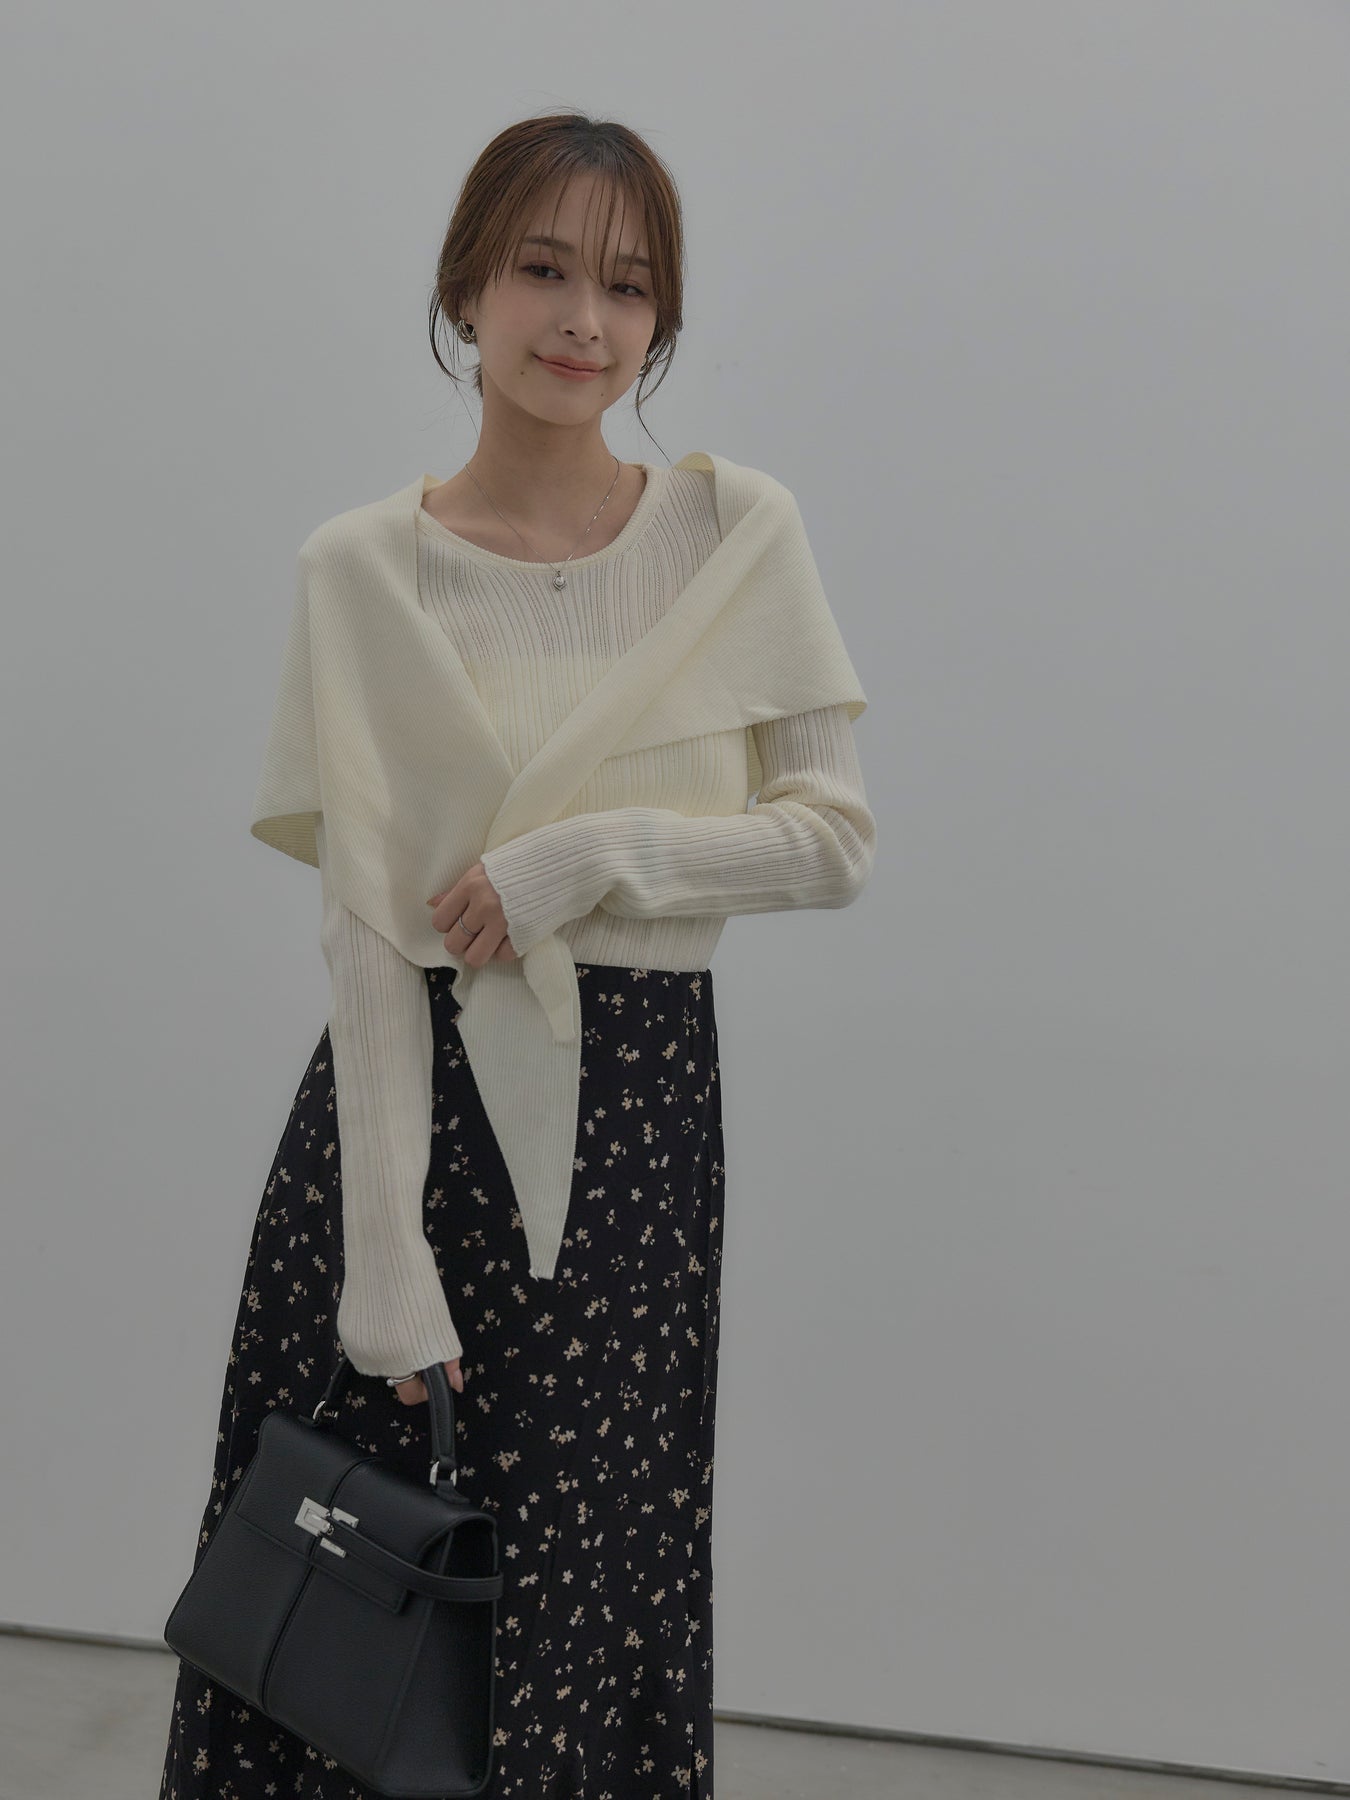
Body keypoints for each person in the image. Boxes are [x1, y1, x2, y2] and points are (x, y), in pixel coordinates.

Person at [159, 110, 876, 1800]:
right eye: (544, 269)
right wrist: (384, 1264)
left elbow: (831, 839)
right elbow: (368, 937)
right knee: (354, 1596)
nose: (583, 320)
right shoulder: (364, 570)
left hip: (633, 1130)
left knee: (592, 1569)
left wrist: (588, 856)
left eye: (627, 286)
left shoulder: (734, 535)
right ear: (464, 290)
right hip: (404, 1127)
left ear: (662, 316)